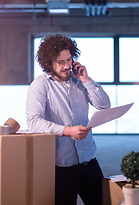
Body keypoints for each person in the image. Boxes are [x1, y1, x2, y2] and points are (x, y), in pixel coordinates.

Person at [26, 34, 111, 205]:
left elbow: (104, 105)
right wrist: (67, 131)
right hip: (61, 167)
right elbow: (33, 121)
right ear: (49, 63)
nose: (67, 66)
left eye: (69, 59)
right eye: (60, 62)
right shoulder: (40, 85)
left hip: (89, 160)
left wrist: (86, 80)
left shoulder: (81, 81)